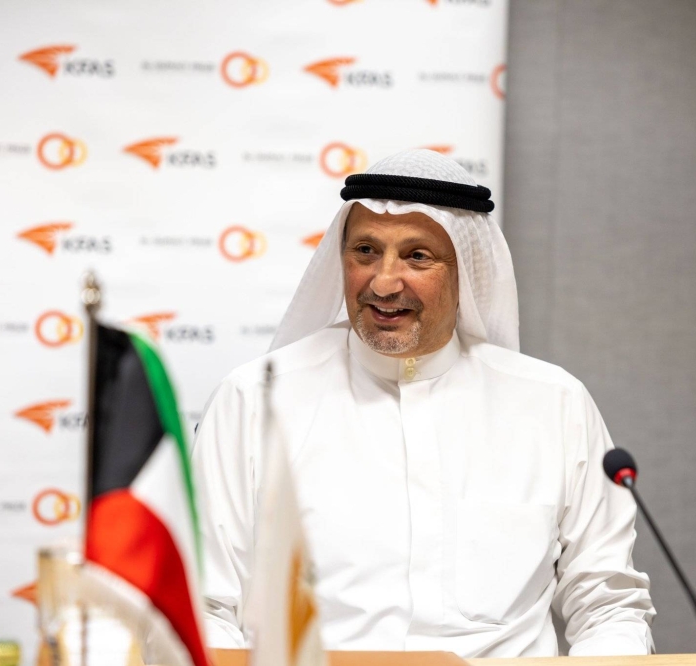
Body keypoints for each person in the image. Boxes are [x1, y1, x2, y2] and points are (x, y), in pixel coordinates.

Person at [192, 149, 655, 658]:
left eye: (417, 257)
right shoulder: (254, 400)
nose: (383, 282)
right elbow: (204, 606)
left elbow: (610, 606)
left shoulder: (554, 404)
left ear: (466, 273)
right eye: (365, 251)